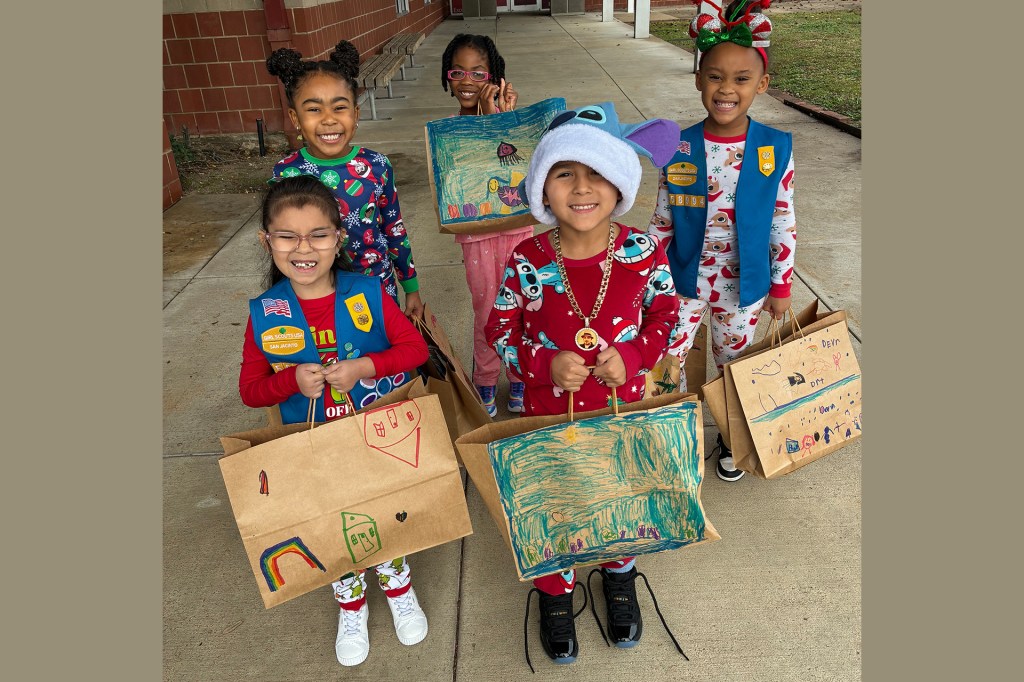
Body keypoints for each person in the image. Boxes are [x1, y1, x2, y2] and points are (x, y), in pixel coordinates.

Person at [485, 102, 685, 668]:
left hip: (622, 415)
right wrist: (541, 363)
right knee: (558, 509)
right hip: (550, 417)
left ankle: (619, 578)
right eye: (565, 173)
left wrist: (637, 354)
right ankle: (555, 593)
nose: (581, 188)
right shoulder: (527, 260)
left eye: (597, 173)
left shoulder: (641, 254)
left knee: (620, 501)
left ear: (620, 184)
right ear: (542, 188)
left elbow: (666, 313)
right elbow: (500, 326)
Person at [237, 175, 430, 667]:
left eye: (318, 234)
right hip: (314, 445)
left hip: (377, 435)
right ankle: (351, 604)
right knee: (332, 526)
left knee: (383, 516)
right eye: (287, 236)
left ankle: (398, 587)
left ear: (338, 238)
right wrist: (289, 383)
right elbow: (250, 389)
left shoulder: (365, 291)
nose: (304, 248)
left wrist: (366, 366)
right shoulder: (265, 313)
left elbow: (415, 349)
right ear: (267, 241)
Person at [648, 0, 796, 481]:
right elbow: (661, 221)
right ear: (697, 79)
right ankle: (668, 437)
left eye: (740, 79)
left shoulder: (774, 147)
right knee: (666, 356)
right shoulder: (679, 145)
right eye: (714, 76)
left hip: (745, 285)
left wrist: (781, 285)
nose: (726, 89)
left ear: (762, 85)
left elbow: (782, 220)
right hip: (680, 280)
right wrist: (646, 279)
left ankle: (732, 439)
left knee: (733, 364)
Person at [266, 40, 424, 321]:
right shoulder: (285, 173)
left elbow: (395, 230)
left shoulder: (377, 166)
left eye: (339, 108)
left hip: (377, 289)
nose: (329, 120)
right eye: (314, 110)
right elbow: (281, 244)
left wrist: (410, 287)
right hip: (313, 295)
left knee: (379, 360)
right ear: (295, 118)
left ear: (356, 114)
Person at [439, 33, 533, 417]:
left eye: (478, 73)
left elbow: (521, 162)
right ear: (447, 77)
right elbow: (452, 182)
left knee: (526, 307)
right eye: (458, 71)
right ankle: (487, 380)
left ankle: (522, 376)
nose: (467, 80)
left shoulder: (509, 120)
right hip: (475, 236)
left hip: (518, 231)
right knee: (487, 310)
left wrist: (501, 117)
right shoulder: (444, 131)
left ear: (495, 78)